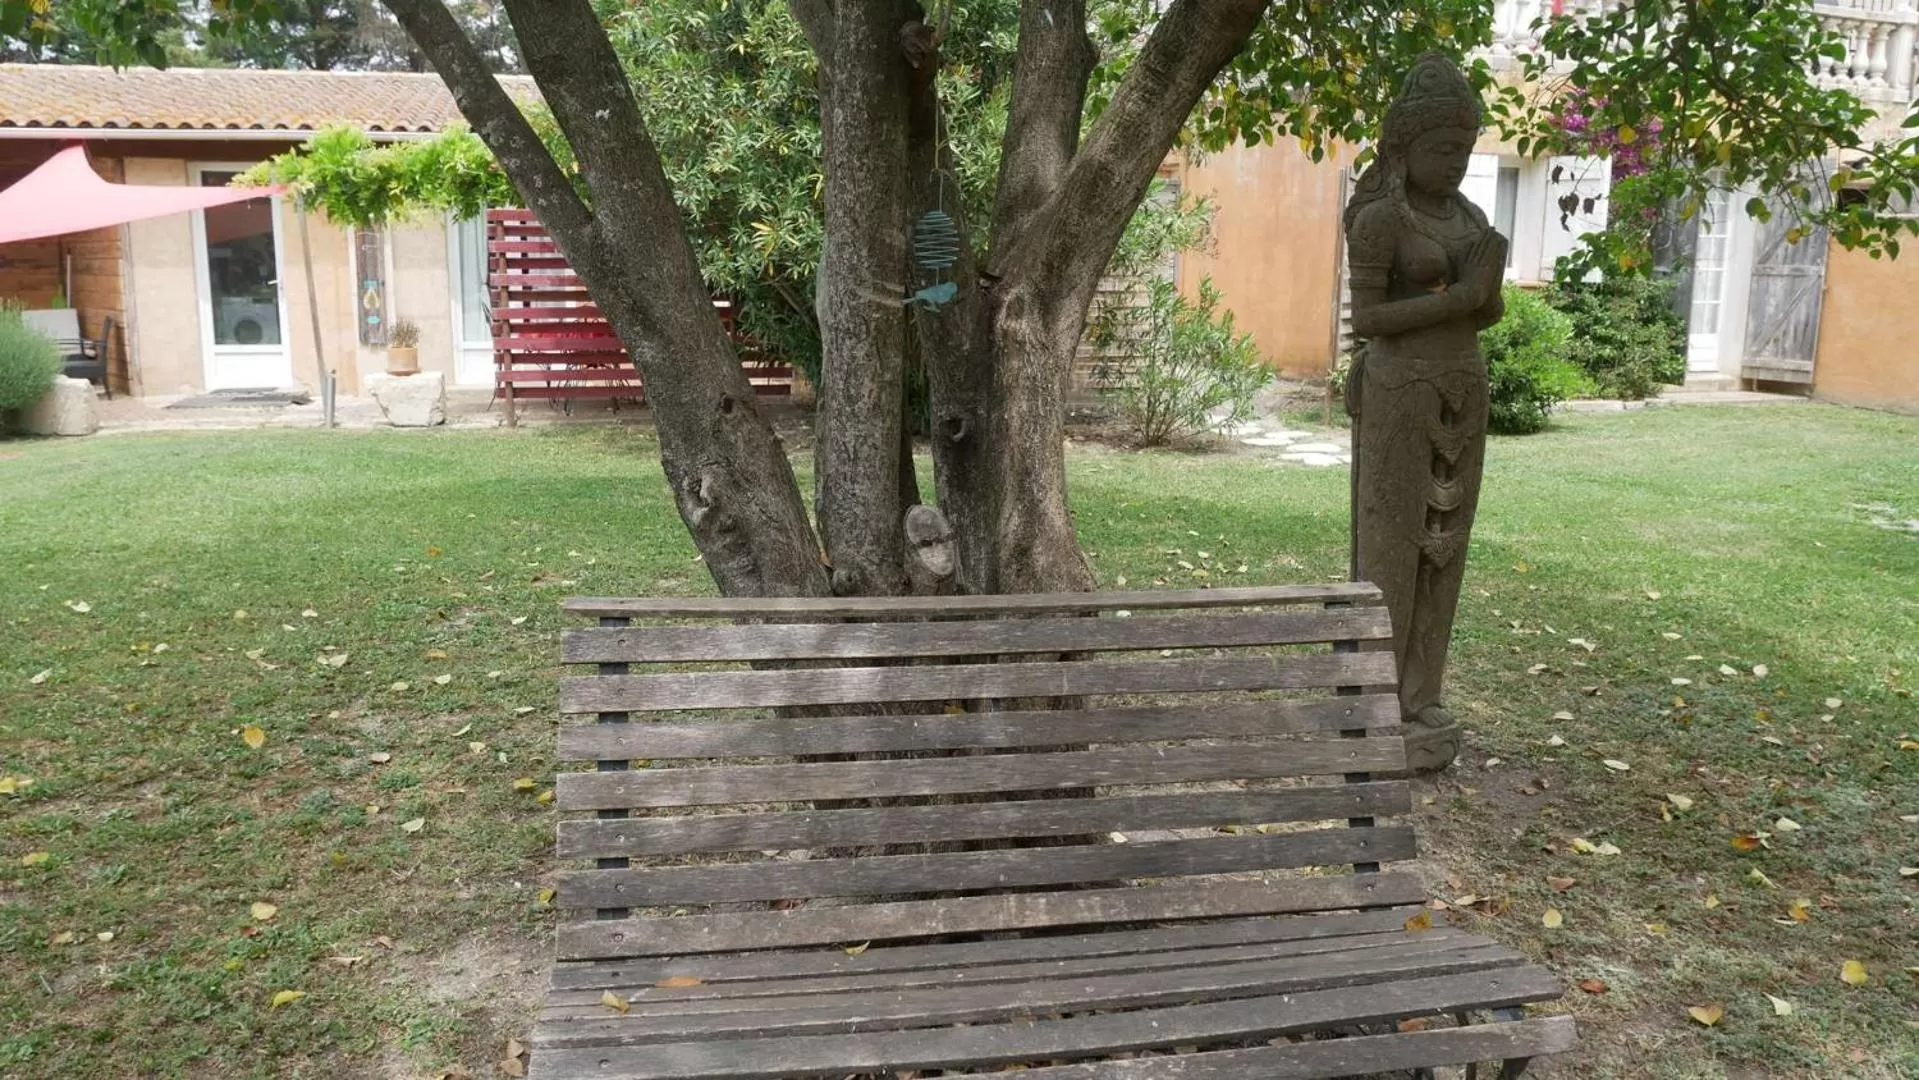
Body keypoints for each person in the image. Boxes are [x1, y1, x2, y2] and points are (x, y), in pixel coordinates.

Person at [1343, 52, 1507, 770]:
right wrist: (1460, 298)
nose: (1454, 164)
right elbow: (1369, 320)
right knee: (1391, 541)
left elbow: (1486, 311)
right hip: (1398, 388)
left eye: (1463, 151)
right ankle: (1372, 691)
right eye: (1440, 149)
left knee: (1444, 546)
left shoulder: (1469, 218)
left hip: (1461, 385)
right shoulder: (1379, 219)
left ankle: (1422, 694)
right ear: (1402, 148)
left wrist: (1483, 285)